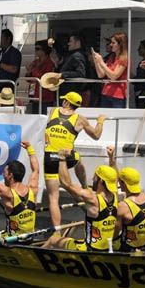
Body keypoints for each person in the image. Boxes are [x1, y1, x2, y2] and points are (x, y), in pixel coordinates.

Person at [43, 91, 106, 229]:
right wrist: (100, 121)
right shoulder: (80, 119)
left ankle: (57, 232)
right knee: (78, 159)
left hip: (50, 158)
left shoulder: (53, 111)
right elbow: (96, 135)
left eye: (64, 100)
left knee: (53, 198)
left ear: (66, 102)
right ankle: (84, 185)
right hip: (68, 157)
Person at [42, 149, 118, 252]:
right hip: (106, 248)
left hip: (87, 249)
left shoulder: (93, 199)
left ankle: (33, 261)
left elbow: (66, 184)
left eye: (95, 176)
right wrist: (111, 158)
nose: (92, 178)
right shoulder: (115, 195)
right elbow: (114, 177)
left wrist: (62, 158)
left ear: (100, 181)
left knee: (53, 239)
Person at [106, 146, 145, 252]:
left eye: (120, 181)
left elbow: (114, 233)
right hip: (142, 246)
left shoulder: (123, 206)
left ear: (122, 183)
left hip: (126, 249)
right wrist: (112, 158)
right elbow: (117, 178)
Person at [93, 32, 129, 108]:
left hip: (118, 95)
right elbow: (101, 75)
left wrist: (101, 62)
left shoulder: (124, 59)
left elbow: (114, 76)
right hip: (106, 93)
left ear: (120, 44)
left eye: (113, 43)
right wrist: (96, 62)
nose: (111, 45)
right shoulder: (111, 57)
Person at [26, 40, 57, 115]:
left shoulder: (50, 63)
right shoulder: (35, 62)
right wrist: (29, 72)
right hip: (34, 96)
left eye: (37, 49)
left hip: (45, 97)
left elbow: (45, 77)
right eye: (35, 49)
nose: (35, 51)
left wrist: (32, 71)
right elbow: (28, 77)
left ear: (44, 50)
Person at [57, 33, 88, 99]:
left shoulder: (77, 56)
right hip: (69, 92)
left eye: (70, 41)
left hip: (71, 92)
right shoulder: (74, 55)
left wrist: (63, 75)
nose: (68, 43)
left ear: (78, 43)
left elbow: (80, 73)